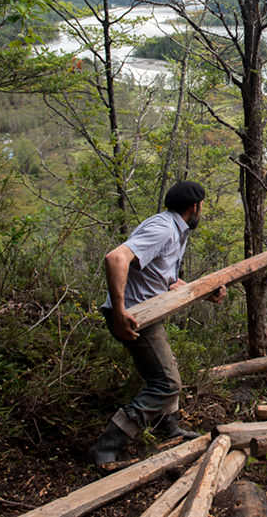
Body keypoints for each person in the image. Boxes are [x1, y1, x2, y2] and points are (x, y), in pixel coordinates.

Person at [90, 180, 225, 466]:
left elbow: (167, 281)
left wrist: (205, 292)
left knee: (166, 370)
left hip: (147, 312)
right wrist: (120, 311)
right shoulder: (163, 229)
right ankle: (108, 445)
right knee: (166, 382)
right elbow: (116, 258)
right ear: (195, 207)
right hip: (136, 316)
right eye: (202, 206)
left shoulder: (175, 230)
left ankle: (168, 427)